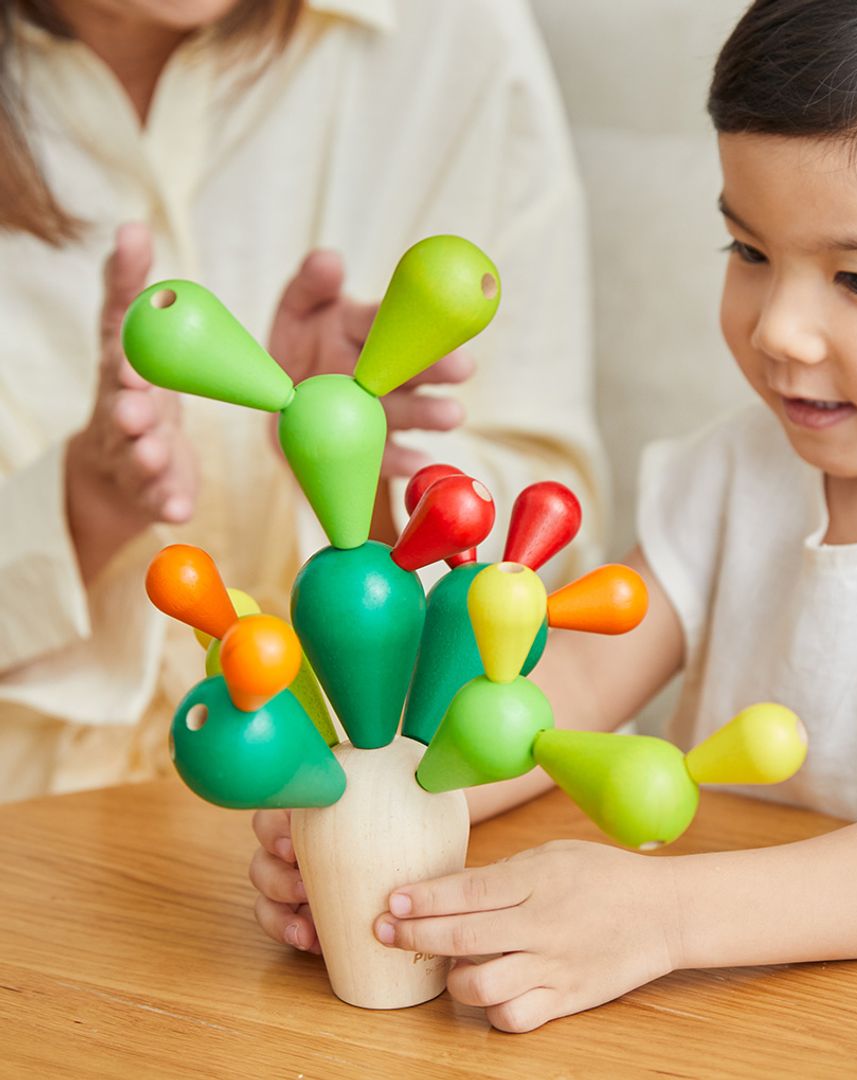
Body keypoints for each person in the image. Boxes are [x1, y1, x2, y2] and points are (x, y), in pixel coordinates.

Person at [252, 0, 857, 1033]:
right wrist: (403, 802)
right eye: (748, 252)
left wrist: (666, 917)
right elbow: (582, 679)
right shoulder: (737, 468)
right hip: (721, 1018)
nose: (778, 328)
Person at [0, 0, 607, 801]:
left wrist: (364, 496)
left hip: (395, 805)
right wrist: (84, 506)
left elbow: (550, 557)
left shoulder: (451, 33)